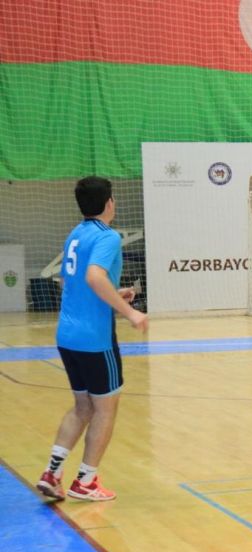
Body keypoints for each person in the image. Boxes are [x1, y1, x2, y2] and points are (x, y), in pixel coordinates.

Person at [36, 176, 149, 502]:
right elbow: (94, 277)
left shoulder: (76, 233)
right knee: (105, 409)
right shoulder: (108, 236)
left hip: (67, 335)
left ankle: (52, 473)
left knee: (82, 407)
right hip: (95, 338)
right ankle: (85, 481)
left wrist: (115, 293)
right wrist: (131, 313)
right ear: (110, 202)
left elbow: (70, 281)